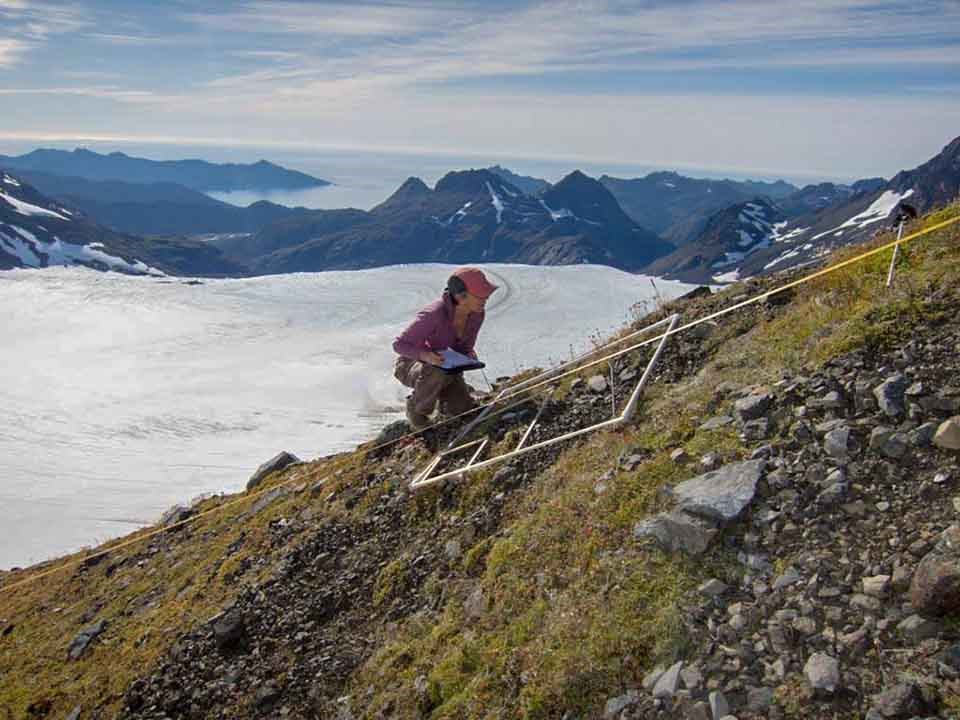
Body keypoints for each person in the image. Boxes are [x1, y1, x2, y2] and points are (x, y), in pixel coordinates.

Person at [392, 267, 498, 429]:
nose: (486, 298)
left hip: (447, 370)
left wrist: (468, 355)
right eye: (480, 295)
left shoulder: (477, 314)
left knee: (461, 410)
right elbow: (399, 345)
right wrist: (426, 356)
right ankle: (416, 409)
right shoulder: (434, 314)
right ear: (461, 296)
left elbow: (465, 346)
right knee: (437, 368)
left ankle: (444, 402)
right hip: (411, 364)